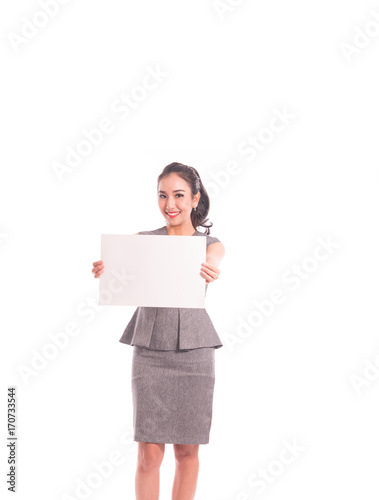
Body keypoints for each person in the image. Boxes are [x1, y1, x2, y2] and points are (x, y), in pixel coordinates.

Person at [91, 162, 225, 500]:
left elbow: (214, 256)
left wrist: (212, 268)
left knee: (186, 452)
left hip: (195, 352)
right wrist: (106, 269)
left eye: (179, 195)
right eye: (163, 196)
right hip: (150, 349)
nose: (170, 204)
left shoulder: (210, 244)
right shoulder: (144, 240)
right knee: (149, 453)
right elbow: (118, 270)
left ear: (195, 198)